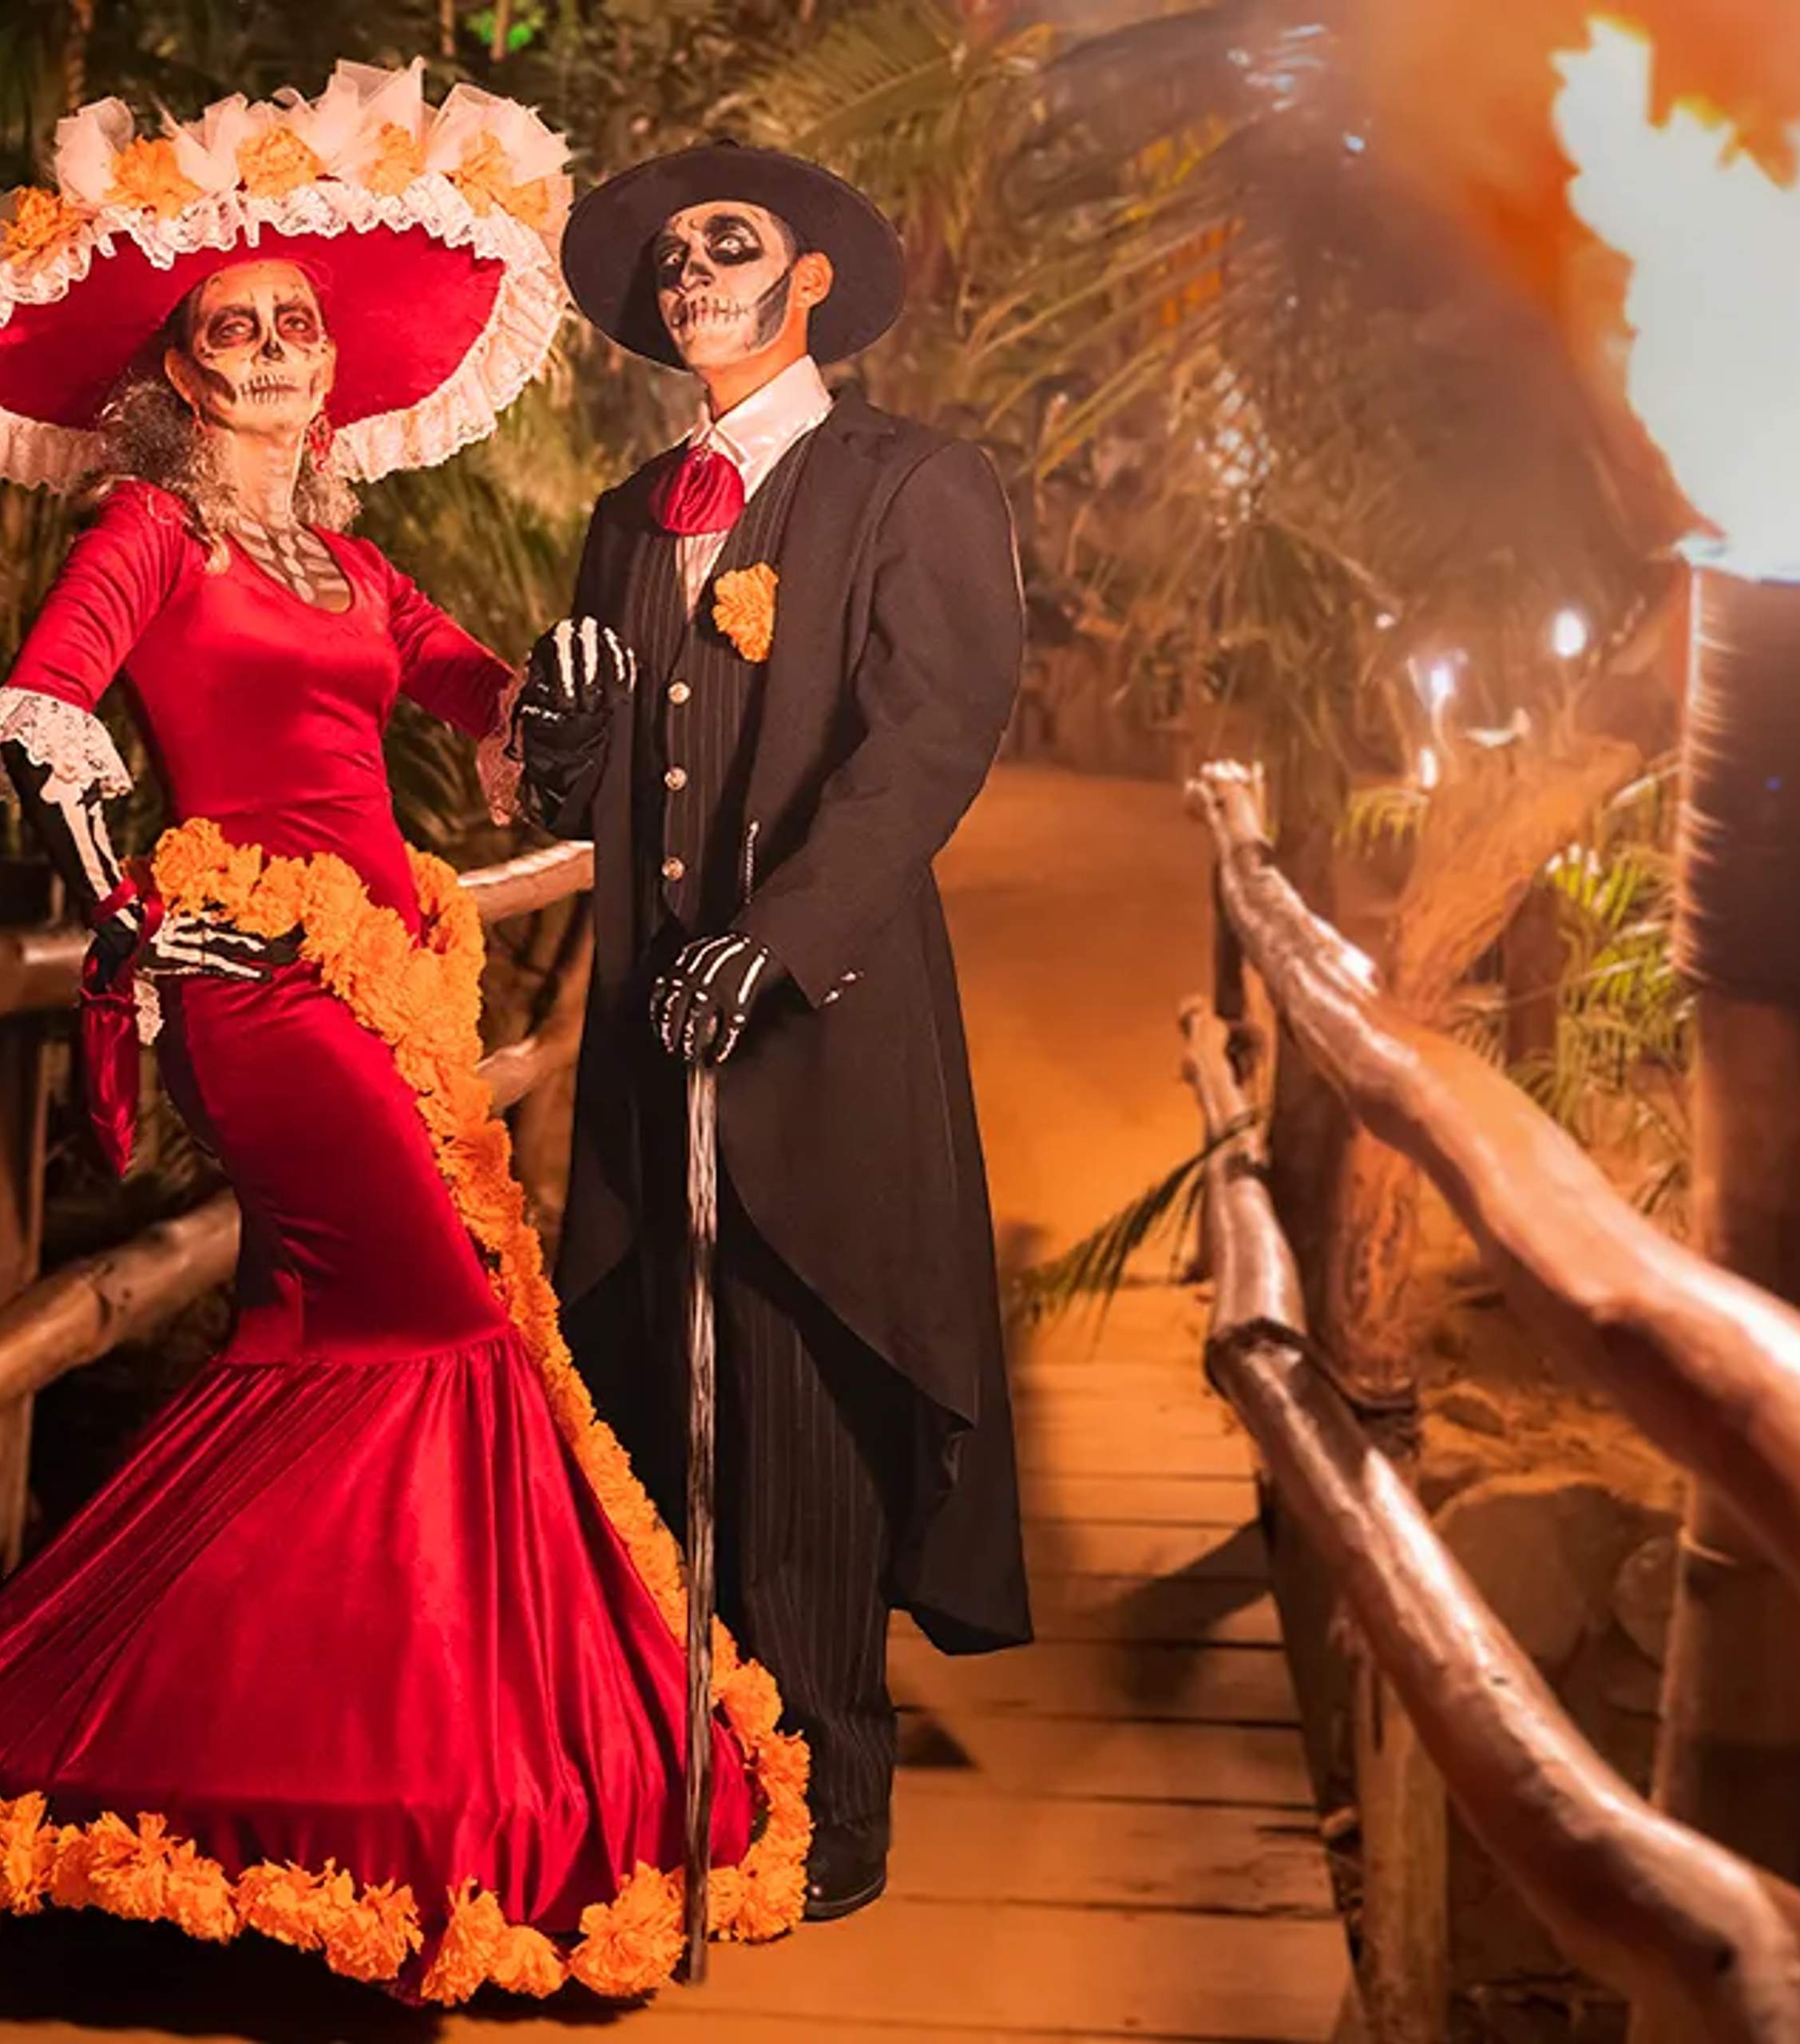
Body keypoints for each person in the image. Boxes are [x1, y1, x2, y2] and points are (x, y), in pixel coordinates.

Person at [0, 67, 810, 2005]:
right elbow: (44, 710)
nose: (278, 350)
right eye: (235, 328)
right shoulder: (150, 529)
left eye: (298, 325)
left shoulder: (350, 559)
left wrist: (563, 688)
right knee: (435, 1324)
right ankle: (362, 1795)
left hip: (393, 970)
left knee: (339, 1344)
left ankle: (325, 1787)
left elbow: (478, 690)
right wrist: (131, 905)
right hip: (257, 975)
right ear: (180, 368)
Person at [517, 141, 1036, 1924]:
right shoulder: (629, 514)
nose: (689, 276)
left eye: (725, 247)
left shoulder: (914, 485)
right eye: (669, 257)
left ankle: (828, 1809)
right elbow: (593, 777)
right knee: (664, 1396)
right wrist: (557, 737)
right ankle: (689, 1781)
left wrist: (781, 941)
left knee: (809, 1399)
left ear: (810, 281)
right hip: (650, 1035)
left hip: (823, 1028)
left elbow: (930, 743)